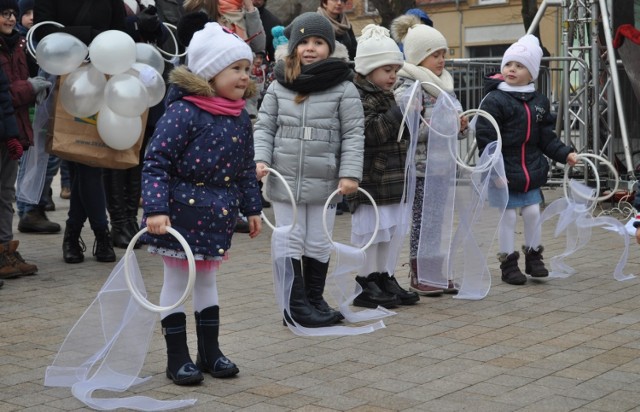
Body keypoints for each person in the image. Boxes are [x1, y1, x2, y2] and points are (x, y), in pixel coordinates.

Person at [141, 22, 262, 385]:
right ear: (211, 72)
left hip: (218, 213)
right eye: (235, 68)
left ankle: (210, 352)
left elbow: (244, 166)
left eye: (246, 68)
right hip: (180, 213)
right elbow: (156, 160)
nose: (244, 76)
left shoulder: (239, 116)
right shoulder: (184, 112)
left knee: (208, 280)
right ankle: (176, 356)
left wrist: (253, 208)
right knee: (178, 280)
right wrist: (156, 209)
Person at [254, 12, 364, 327]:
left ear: (330, 47)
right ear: (293, 47)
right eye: (303, 42)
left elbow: (354, 135)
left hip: (325, 179)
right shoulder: (279, 85)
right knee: (290, 236)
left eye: (318, 42)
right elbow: (264, 127)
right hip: (284, 178)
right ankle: (294, 305)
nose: (310, 48)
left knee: (318, 239)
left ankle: (313, 299)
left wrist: (350, 174)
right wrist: (261, 159)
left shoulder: (344, 87)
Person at [475, 34, 578, 285]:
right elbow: (486, 136)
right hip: (504, 171)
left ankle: (534, 257)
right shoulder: (495, 99)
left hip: (531, 170)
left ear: (531, 73)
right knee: (508, 216)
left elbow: (546, 137)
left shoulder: (538, 101)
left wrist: (565, 154)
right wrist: (495, 171)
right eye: (509, 64)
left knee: (533, 213)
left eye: (520, 66)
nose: (512, 69)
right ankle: (508, 263)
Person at [33, 0, 129, 264]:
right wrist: (92, 36)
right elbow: (44, 32)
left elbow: (121, 33)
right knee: (83, 162)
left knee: (85, 163)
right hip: (66, 82)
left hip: (103, 82)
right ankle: (100, 233)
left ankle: (74, 235)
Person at [391, 16, 467, 297]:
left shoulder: (443, 85)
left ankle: (435, 271)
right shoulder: (410, 88)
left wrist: (461, 126)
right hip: (421, 168)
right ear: (419, 56)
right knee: (423, 222)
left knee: (438, 221)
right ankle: (419, 272)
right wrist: (442, 123)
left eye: (443, 54)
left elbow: (454, 126)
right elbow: (408, 130)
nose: (441, 59)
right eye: (435, 54)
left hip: (442, 167)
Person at [347, 24, 419, 309]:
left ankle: (384, 275)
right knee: (373, 232)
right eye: (386, 70)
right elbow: (372, 132)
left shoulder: (389, 95)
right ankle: (366, 280)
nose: (393, 76)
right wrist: (399, 111)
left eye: (394, 70)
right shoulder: (358, 96)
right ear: (368, 69)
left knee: (389, 231)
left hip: (392, 177)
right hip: (372, 178)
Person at [0, 0, 42, 278]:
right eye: (5, 13)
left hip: (11, 127)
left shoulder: (18, 44)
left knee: (6, 192)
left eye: (13, 13)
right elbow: (7, 91)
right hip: (5, 127)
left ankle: (5, 249)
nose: (12, 18)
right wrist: (29, 88)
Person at [181, 0, 265, 54]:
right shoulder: (203, 6)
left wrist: (250, 9)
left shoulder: (243, 9)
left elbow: (258, 46)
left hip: (239, 75)